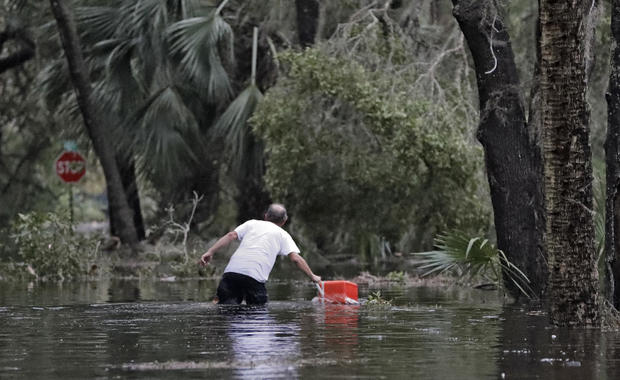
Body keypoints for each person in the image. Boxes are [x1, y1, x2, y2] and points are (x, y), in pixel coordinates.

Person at [199, 203, 321, 305]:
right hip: (254, 279)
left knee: (226, 312)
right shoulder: (283, 234)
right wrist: (313, 276)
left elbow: (231, 235)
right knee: (258, 315)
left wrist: (210, 251)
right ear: (284, 221)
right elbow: (295, 259)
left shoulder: (251, 223)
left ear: (266, 216)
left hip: (231, 274)